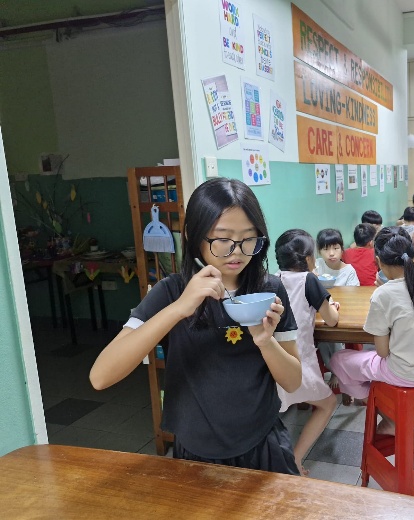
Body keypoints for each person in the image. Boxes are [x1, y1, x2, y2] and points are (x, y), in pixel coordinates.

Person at [89, 178, 302, 475]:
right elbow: (101, 376)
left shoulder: (269, 291)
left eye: (248, 238)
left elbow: (292, 382)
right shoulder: (171, 291)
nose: (236, 252)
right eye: (223, 239)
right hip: (196, 453)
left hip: (263, 443)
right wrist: (179, 309)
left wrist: (265, 341)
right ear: (194, 236)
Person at [330, 227, 414, 432]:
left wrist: (386, 288)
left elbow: (382, 352)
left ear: (379, 262)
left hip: (406, 374)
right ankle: (391, 405)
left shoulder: (383, 294)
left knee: (339, 360)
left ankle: (389, 415)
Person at [275, 229, 340, 476]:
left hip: (275, 362)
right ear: (309, 259)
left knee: (279, 404)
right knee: (328, 403)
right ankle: (295, 459)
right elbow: (332, 320)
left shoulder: (273, 279)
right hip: (299, 361)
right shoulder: (309, 280)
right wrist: (331, 305)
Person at [314, 228, 360, 393]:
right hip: (320, 311)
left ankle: (335, 371)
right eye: (326, 249)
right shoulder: (317, 266)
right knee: (317, 333)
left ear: (342, 249)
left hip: (341, 313)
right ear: (319, 251)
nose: (331, 253)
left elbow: (355, 295)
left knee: (331, 333)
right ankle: (327, 370)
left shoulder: (348, 270)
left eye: (335, 248)